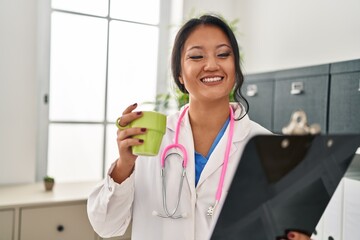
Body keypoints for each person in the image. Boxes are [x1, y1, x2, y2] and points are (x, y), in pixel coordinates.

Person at [87, 14, 311, 240]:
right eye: (196, 56)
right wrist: (124, 166)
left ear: (235, 69)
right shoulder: (150, 140)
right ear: (180, 75)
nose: (212, 65)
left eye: (223, 54)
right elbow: (106, 227)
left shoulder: (266, 146)